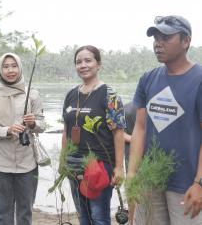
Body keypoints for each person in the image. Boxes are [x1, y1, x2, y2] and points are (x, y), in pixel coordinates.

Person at [127, 15, 202, 225]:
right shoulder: (148, 79)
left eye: (166, 38)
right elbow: (140, 128)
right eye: (155, 38)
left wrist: (199, 183)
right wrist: (133, 173)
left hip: (186, 185)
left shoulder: (199, 80)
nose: (158, 44)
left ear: (186, 41)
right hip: (150, 179)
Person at [60, 45, 125, 225]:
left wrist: (119, 167)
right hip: (74, 163)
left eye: (88, 60)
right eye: (79, 62)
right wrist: (62, 160)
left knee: (99, 217)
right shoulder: (71, 95)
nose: (83, 65)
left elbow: (118, 132)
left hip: (99, 164)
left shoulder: (109, 95)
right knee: (83, 216)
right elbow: (66, 130)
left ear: (99, 65)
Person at [0, 53, 45, 225]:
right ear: (0, 70)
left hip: (27, 162)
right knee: (2, 213)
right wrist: (7, 130)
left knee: (25, 211)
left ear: (20, 67)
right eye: (5, 66)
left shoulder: (32, 94)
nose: (10, 70)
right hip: (0, 162)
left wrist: (33, 124)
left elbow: (42, 124)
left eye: (14, 65)